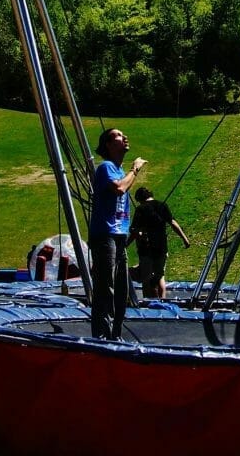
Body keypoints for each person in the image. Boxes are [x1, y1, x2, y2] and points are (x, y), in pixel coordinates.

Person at [89, 128, 147, 340]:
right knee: (106, 287)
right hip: (105, 235)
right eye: (119, 136)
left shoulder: (118, 170)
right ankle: (102, 336)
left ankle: (116, 334)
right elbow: (120, 189)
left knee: (122, 288)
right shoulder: (105, 167)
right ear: (108, 145)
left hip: (119, 236)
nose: (125, 138)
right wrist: (135, 169)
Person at [129, 186, 190, 299]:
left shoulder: (140, 209)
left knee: (146, 278)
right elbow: (172, 223)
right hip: (161, 248)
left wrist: (127, 243)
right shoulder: (162, 206)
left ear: (139, 199)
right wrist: (185, 239)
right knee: (160, 276)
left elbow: (134, 231)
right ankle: (163, 300)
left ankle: (147, 303)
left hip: (146, 250)